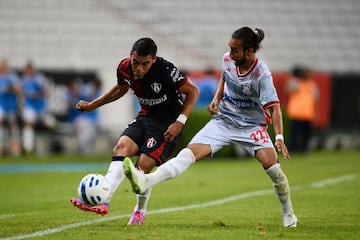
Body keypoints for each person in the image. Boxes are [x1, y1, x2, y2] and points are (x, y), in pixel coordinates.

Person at [123, 27, 298, 228]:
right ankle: (147, 180)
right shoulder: (227, 60)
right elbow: (225, 78)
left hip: (251, 126)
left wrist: (279, 138)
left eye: (235, 50)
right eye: (229, 48)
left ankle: (288, 213)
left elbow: (275, 108)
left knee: (273, 168)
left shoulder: (262, 75)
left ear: (249, 52)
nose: (230, 54)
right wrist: (217, 98)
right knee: (188, 154)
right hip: (224, 120)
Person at [69, 38, 200, 224]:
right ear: (131, 55)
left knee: (142, 167)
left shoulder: (165, 70)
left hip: (167, 123)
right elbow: (121, 88)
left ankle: (140, 210)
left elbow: (193, 91)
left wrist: (180, 122)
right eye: (135, 62)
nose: (139, 68)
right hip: (145, 116)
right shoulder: (124, 67)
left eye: (144, 64)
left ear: (153, 60)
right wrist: (92, 105)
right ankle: (104, 200)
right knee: (120, 148)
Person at [21, 62, 55, 154]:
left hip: (41, 107)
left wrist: (38, 94)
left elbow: (46, 91)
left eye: (30, 69)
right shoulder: (24, 80)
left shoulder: (39, 78)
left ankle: (54, 147)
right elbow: (22, 92)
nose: (29, 71)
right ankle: (28, 148)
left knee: (51, 123)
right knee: (29, 124)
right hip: (30, 106)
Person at [286, 66, 319, 153]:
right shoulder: (296, 82)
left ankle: (303, 149)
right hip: (296, 113)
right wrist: (294, 76)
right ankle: (293, 150)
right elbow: (290, 88)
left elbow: (316, 97)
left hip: (308, 114)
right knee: (294, 134)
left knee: (306, 135)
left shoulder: (311, 84)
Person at [0, 59, 22, 156]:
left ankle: (15, 146)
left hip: (11, 105)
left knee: (12, 125)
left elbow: (19, 90)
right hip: (1, 104)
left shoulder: (12, 77)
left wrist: (10, 88)